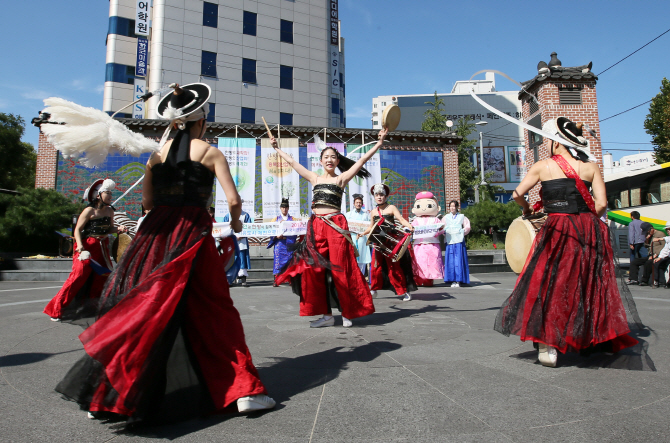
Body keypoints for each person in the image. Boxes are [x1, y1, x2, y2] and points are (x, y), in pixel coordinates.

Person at [55, 83, 274, 425]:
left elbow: (146, 203)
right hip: (192, 234)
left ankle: (108, 393)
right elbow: (233, 201)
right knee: (215, 309)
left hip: (155, 237)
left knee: (144, 307)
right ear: (202, 119)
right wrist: (235, 223)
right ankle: (244, 391)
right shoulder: (210, 151)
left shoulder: (156, 155)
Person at [494, 116, 641, 368]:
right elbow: (602, 204)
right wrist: (586, 220)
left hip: (557, 228)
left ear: (554, 142)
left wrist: (528, 208)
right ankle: (592, 337)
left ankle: (547, 344)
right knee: (589, 283)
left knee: (550, 282)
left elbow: (517, 194)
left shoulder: (543, 166)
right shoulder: (591, 167)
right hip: (588, 228)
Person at [274, 130, 388, 328]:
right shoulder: (314, 178)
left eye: (333, 157)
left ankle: (347, 313)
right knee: (314, 271)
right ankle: (326, 316)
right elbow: (294, 163)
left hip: (335, 226)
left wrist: (378, 144)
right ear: (320, 161)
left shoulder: (340, 179)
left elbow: (360, 162)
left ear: (337, 161)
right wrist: (277, 149)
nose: (329, 160)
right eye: (326, 157)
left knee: (342, 269)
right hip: (316, 226)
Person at [44, 179, 126, 322]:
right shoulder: (89, 210)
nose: (111, 195)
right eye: (108, 192)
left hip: (102, 247)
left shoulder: (110, 211)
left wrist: (118, 229)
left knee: (102, 277)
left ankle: (93, 307)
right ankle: (56, 309)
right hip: (86, 246)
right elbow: (78, 230)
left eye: (111, 193)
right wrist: (80, 246)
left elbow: (109, 229)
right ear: (98, 195)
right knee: (78, 276)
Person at [361, 183, 417, 301]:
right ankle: (374, 289)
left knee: (395, 267)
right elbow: (371, 227)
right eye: (377, 195)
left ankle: (404, 290)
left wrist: (410, 226)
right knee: (375, 267)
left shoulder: (391, 208)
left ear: (385, 197)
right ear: (374, 197)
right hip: (377, 243)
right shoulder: (373, 212)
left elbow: (401, 220)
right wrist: (362, 233)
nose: (379, 197)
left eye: (381, 195)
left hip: (391, 243)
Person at [410, 191, 444, 287]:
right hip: (419, 245)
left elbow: (441, 229)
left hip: (432, 244)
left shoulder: (436, 219)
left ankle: (430, 280)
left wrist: (439, 231)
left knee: (432, 262)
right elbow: (411, 229)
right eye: (420, 206)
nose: (424, 208)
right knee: (420, 262)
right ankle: (419, 279)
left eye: (429, 206)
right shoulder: (415, 220)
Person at [268, 198, 298, 287]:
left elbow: (296, 231)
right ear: (280, 208)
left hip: (289, 242)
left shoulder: (293, 219)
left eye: (286, 207)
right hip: (279, 243)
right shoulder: (275, 219)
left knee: (290, 261)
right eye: (283, 207)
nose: (284, 209)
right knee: (278, 261)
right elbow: (271, 230)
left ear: (288, 208)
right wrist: (276, 236)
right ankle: (277, 280)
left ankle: (289, 279)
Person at [441, 200, 471, 288]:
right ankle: (452, 279)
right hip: (450, 240)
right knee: (450, 261)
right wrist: (444, 232)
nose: (452, 208)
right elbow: (442, 227)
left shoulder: (462, 217)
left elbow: (467, 226)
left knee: (459, 260)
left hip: (459, 241)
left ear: (457, 207)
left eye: (454, 206)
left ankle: (458, 279)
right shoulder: (446, 217)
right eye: (450, 206)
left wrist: (462, 231)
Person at [627, 222, 666, 286]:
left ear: (652, 229)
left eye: (648, 231)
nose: (647, 233)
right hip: (650, 254)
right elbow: (646, 246)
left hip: (658, 255)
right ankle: (633, 279)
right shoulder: (649, 235)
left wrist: (656, 254)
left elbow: (664, 246)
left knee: (648, 263)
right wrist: (647, 239)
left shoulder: (660, 234)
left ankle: (644, 280)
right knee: (635, 262)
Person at [223, 208, 253, 287]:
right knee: (231, 259)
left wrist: (241, 236)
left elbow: (249, 227)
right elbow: (224, 228)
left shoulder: (245, 215)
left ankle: (243, 278)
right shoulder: (227, 215)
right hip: (231, 241)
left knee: (242, 258)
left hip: (242, 240)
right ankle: (230, 279)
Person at [345, 194, 372, 277]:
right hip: (352, 238)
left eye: (360, 203)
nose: (358, 204)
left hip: (362, 239)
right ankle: (352, 277)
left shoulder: (366, 215)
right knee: (352, 258)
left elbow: (369, 227)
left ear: (362, 204)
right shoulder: (348, 214)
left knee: (361, 258)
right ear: (354, 204)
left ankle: (361, 277)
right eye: (357, 202)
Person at [651, 222, 670, 288]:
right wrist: (660, 257)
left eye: (669, 229)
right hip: (668, 256)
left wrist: (660, 238)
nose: (668, 231)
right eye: (667, 230)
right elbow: (666, 249)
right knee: (658, 263)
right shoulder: (668, 238)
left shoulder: (668, 238)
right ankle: (660, 281)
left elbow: (666, 239)